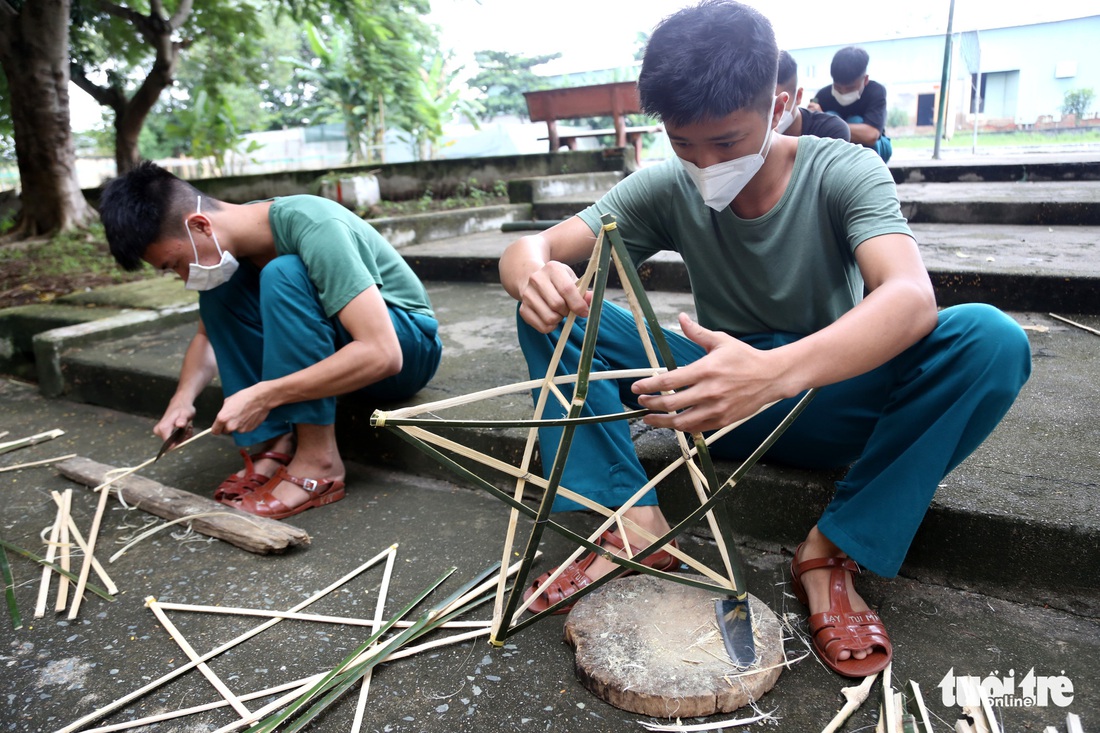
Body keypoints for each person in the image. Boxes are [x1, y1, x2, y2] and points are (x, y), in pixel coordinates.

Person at [498, 0, 1029, 677]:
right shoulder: (668, 187)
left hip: (821, 392)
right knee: (547, 312)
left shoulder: (841, 170)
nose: (703, 161)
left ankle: (831, 549)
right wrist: (532, 273)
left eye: (725, 141)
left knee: (990, 339)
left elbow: (908, 296)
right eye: (683, 143)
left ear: (784, 102)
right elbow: (539, 245)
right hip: (710, 399)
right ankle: (630, 519)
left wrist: (774, 371)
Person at [99, 163, 443, 520]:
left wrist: (264, 395)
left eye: (175, 264)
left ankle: (319, 463)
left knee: (285, 273)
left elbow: (383, 355)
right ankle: (275, 443)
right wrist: (181, 400)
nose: (182, 277)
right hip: (352, 358)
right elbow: (208, 336)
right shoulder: (235, 249)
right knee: (218, 291)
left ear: (200, 225)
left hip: (406, 349)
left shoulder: (313, 224)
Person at [810, 46, 892, 161]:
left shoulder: (876, 91)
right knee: (830, 115)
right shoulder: (823, 95)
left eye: (850, 89)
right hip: (840, 152)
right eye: (838, 88)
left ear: (865, 79)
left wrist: (827, 122)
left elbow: (871, 135)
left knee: (852, 120)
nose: (843, 92)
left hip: (877, 146)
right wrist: (815, 116)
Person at [775, 50, 850, 141]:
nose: (773, 113)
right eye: (764, 105)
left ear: (798, 96)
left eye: (780, 102)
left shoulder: (831, 131)